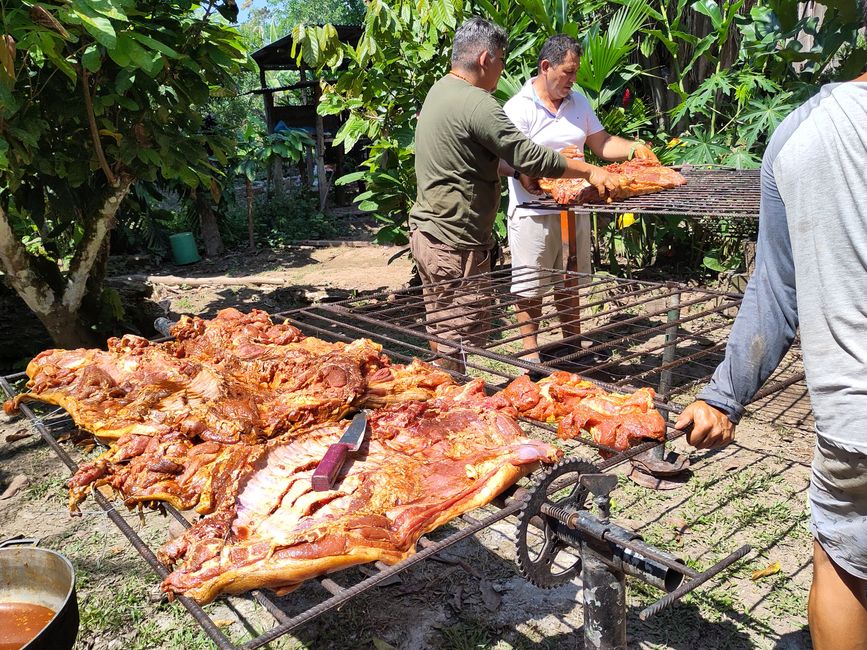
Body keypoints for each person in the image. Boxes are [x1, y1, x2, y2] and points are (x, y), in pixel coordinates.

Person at [674, 19, 867, 649]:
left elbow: (775, 289)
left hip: (853, 424)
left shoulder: (803, 134)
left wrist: (723, 395)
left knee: (842, 566)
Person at [409, 17, 626, 372]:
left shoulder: (440, 91)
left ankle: (444, 394)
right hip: (453, 240)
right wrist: (588, 170)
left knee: (443, 325)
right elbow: (530, 157)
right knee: (458, 331)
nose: (502, 70)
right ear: (485, 60)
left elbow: (487, 158)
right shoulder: (478, 104)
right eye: (501, 61)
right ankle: (449, 406)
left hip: (430, 233)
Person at [502, 34, 658, 363]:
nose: (573, 80)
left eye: (575, 73)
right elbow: (501, 160)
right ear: (546, 67)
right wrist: (531, 170)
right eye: (567, 72)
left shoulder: (578, 101)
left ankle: (573, 348)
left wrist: (632, 147)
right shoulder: (518, 108)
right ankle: (530, 359)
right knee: (530, 289)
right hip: (534, 212)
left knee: (570, 283)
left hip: (576, 209)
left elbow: (600, 144)